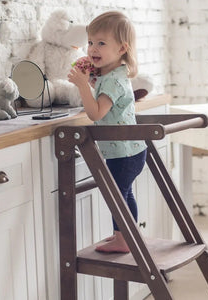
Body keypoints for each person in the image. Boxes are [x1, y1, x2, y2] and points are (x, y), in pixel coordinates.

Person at [68, 11, 147, 253]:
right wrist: (92, 82)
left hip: (122, 154)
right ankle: (125, 235)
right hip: (129, 151)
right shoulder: (113, 75)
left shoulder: (112, 80)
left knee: (117, 195)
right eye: (90, 42)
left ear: (122, 48)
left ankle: (125, 238)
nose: (93, 48)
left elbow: (96, 113)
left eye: (101, 43)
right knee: (123, 194)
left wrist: (82, 85)